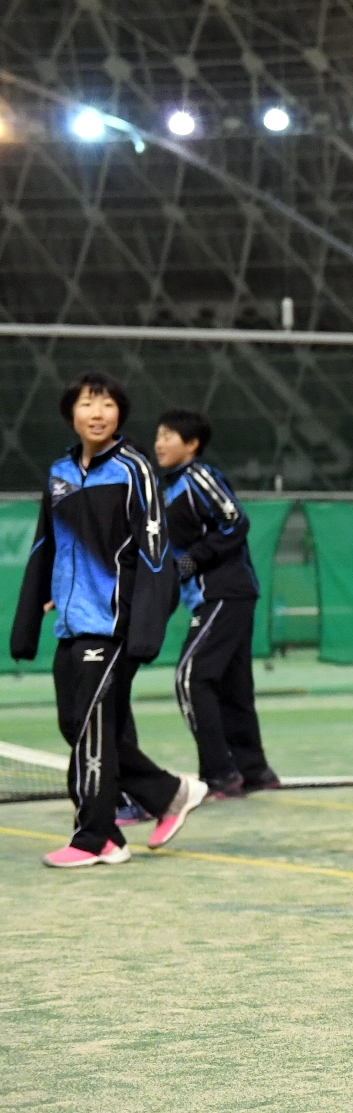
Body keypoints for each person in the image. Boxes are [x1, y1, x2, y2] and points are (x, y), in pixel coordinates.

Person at [12, 372, 205, 868]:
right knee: (77, 724)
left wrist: (143, 628)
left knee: (92, 729)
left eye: (107, 404)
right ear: (70, 413)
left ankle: (97, 837)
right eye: (86, 404)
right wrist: (31, 616)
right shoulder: (58, 471)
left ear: (120, 413)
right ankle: (167, 794)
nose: (97, 414)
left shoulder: (134, 468)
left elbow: (156, 554)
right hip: (72, 623)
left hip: (115, 626)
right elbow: (45, 544)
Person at [156, 409, 279, 799]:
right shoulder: (166, 489)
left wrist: (191, 563)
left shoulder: (198, 478)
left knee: (191, 677)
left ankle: (220, 773)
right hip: (207, 596)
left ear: (191, 445)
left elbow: (235, 522)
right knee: (232, 686)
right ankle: (253, 770)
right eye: (158, 435)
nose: (159, 443)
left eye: (168, 436)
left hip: (225, 591)